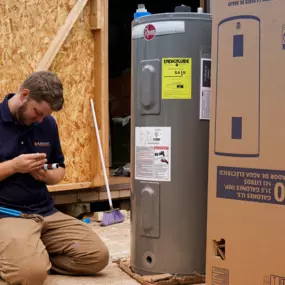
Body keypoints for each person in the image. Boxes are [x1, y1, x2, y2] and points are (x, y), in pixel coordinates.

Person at [0, 71, 109, 285]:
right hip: (7, 213)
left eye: (45, 115)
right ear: (24, 95)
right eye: (37, 112)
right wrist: (13, 166)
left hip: (46, 212)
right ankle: (24, 257)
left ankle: (31, 253)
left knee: (97, 256)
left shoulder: (47, 123)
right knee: (30, 276)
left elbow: (59, 168)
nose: (40, 120)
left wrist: (46, 175)